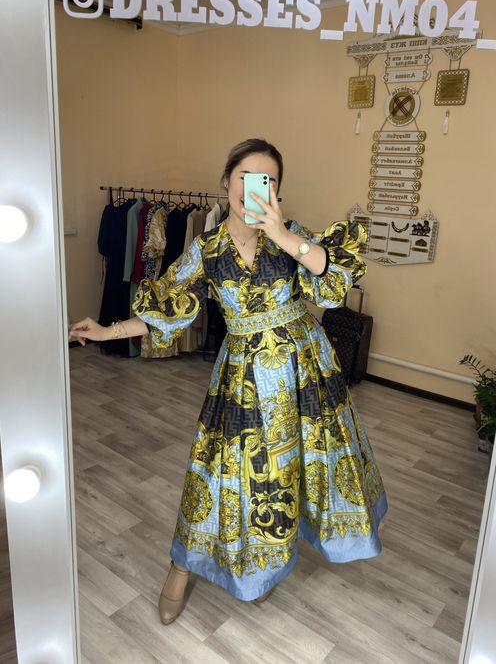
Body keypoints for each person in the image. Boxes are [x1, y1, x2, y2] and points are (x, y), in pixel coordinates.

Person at [69, 138, 387, 624]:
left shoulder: (292, 236)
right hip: (244, 379)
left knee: (296, 471)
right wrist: (107, 330)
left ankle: (268, 563)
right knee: (219, 473)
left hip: (306, 372)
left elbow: (333, 285)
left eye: (268, 180)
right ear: (226, 180)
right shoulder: (206, 249)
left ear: (276, 190)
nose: (254, 188)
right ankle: (181, 566)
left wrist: (283, 235)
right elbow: (166, 308)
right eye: (246, 177)